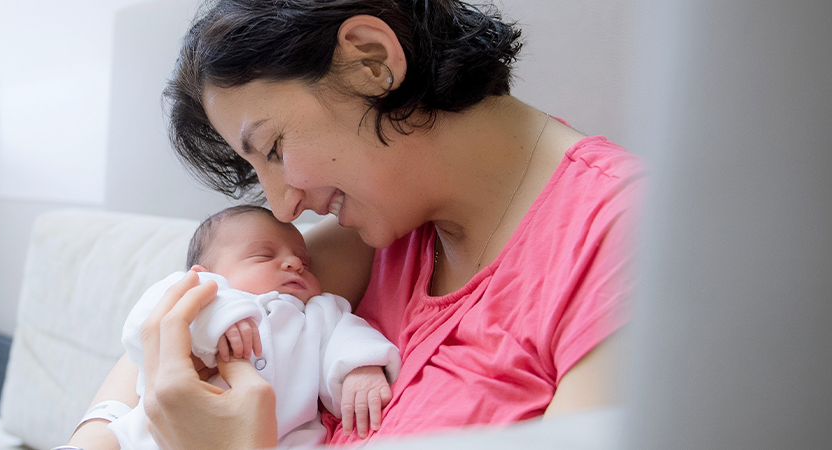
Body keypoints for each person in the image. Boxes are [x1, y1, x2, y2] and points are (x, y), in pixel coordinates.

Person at [69, 0, 642, 448]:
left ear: (371, 60)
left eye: (273, 146)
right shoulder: (380, 228)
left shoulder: (625, 237)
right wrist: (96, 434)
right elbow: (202, 300)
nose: (284, 207)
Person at [107, 205, 401, 449]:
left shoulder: (317, 313)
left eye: (304, 261)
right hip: (154, 437)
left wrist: (359, 370)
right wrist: (219, 316)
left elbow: (347, 335)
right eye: (265, 255)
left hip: (283, 439)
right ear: (204, 274)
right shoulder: (194, 294)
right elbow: (141, 330)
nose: (294, 264)